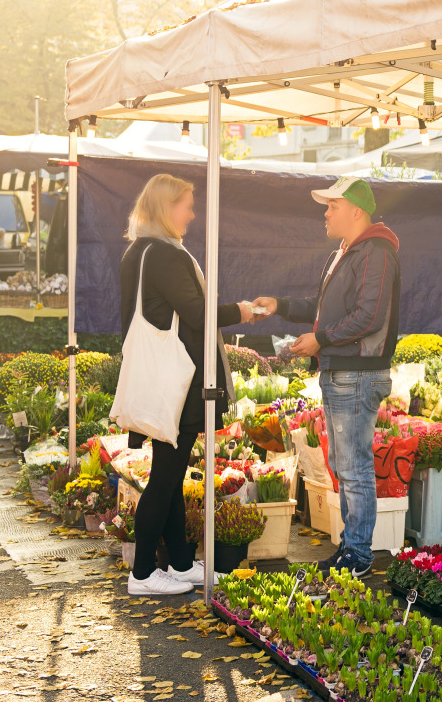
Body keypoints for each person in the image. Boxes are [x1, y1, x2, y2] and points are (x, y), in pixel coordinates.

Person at [254, 176, 401, 578]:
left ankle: (358, 554)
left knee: (353, 466)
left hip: (357, 372)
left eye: (332, 205)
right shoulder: (346, 253)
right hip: (342, 371)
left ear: (356, 210)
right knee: (344, 462)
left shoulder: (377, 252)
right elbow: (324, 309)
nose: (325, 212)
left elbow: (369, 317)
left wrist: (321, 339)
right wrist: (280, 305)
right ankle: (351, 550)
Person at [119, 173, 258, 596]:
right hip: (175, 384)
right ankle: (142, 573)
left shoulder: (139, 251)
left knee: (172, 472)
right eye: (186, 206)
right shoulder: (163, 254)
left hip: (163, 380)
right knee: (164, 477)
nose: (192, 215)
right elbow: (196, 314)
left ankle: (179, 563)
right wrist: (243, 311)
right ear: (165, 207)